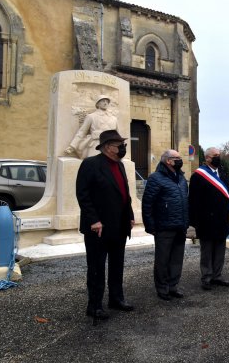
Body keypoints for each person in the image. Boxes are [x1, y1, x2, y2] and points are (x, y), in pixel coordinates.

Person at [76, 129, 135, 321]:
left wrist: (130, 216)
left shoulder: (120, 165)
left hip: (119, 226)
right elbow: (83, 195)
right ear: (108, 147)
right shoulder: (91, 164)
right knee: (96, 268)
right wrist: (93, 220)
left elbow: (125, 194)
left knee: (117, 265)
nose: (123, 148)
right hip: (98, 228)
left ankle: (116, 299)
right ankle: (94, 306)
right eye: (120, 145)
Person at [142, 149, 189, 301]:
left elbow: (185, 201)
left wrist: (187, 221)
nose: (180, 160)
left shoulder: (181, 178)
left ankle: (173, 285)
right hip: (164, 226)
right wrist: (150, 226)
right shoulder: (156, 178)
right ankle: (162, 288)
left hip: (180, 225)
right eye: (177, 158)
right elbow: (147, 204)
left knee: (176, 258)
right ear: (168, 160)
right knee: (162, 260)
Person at [189, 147, 229, 290]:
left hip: (221, 218)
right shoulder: (198, 175)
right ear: (207, 158)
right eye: (215, 155)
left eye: (219, 155)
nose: (218, 158)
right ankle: (206, 277)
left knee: (220, 249)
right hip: (206, 220)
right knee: (207, 251)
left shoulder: (223, 173)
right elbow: (193, 201)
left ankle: (217, 275)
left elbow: (228, 195)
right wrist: (194, 222)